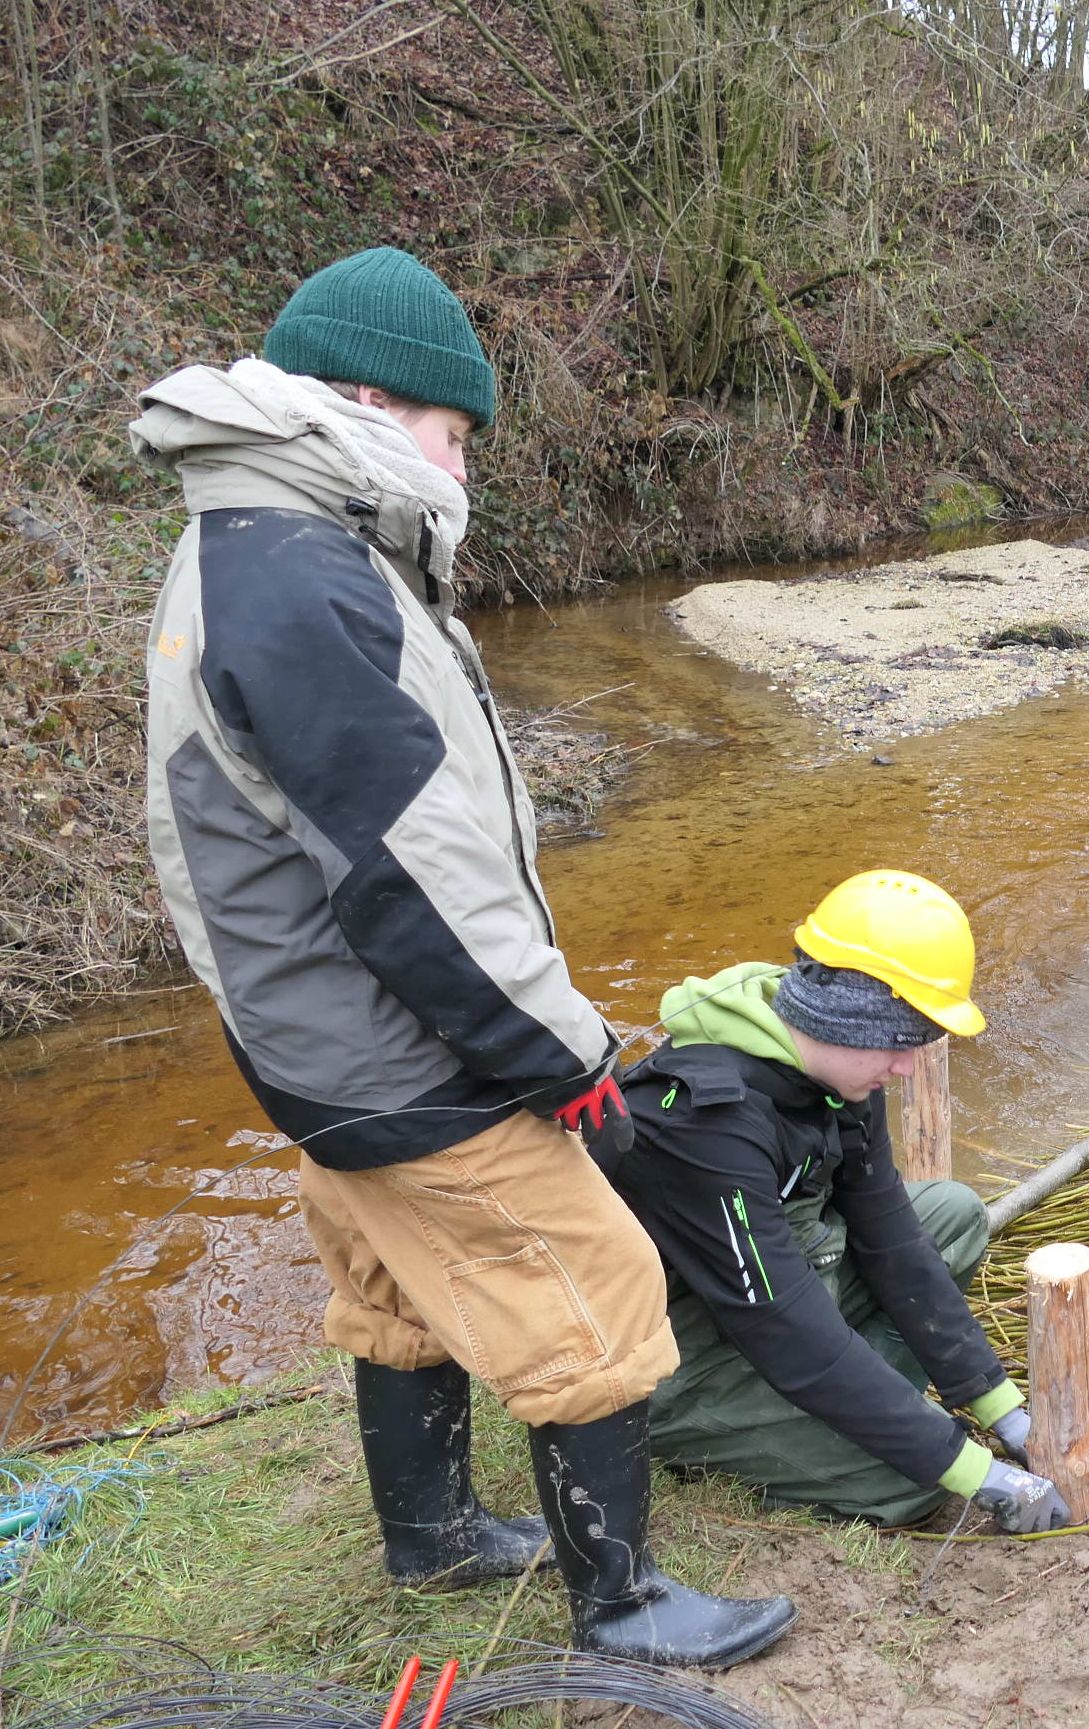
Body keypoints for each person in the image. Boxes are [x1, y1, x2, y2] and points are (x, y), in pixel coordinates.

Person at [136, 248, 794, 1668]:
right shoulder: (308, 580)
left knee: (394, 1277)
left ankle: (430, 1533)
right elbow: (411, 876)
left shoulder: (252, 540)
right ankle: (623, 1606)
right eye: (454, 434)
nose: (463, 467)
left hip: (308, 1033)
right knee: (595, 1286)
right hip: (390, 1047)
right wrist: (561, 1056)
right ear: (373, 405)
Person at [602, 873, 1069, 1534]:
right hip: (680, 1361)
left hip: (778, 1300)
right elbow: (786, 1331)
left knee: (952, 1214)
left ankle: (848, 1410)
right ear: (844, 1018)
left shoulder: (836, 1076)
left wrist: (1002, 1411)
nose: (907, 1068)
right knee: (913, 1481)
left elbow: (893, 1240)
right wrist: (973, 1470)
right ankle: (719, 1432)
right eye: (899, 1042)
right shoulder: (704, 1124)